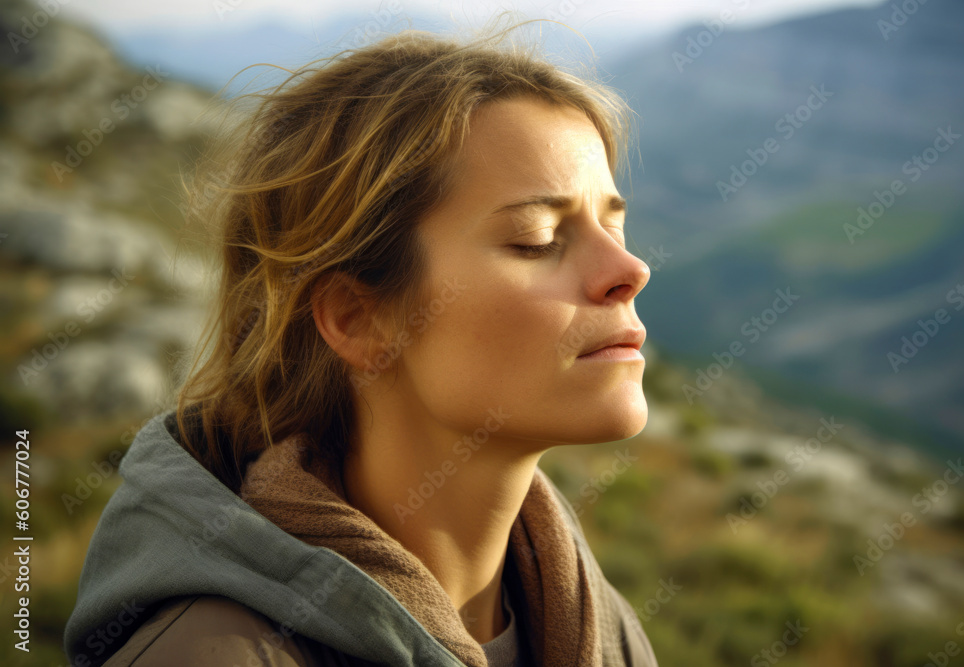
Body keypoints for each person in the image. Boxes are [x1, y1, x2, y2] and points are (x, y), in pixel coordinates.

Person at [63, 15, 657, 667]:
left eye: (613, 225)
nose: (630, 270)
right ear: (355, 318)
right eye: (538, 239)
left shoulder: (600, 625)